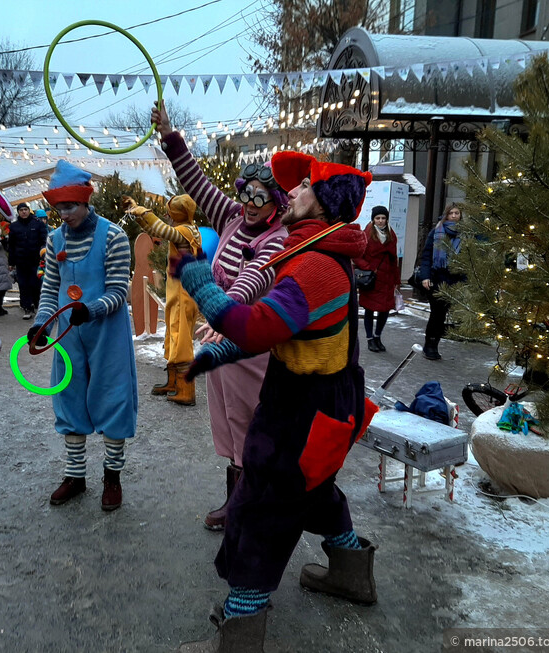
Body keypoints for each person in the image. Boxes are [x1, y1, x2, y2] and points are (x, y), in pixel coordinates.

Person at [173, 153, 378, 651]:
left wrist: (202, 287)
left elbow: (259, 327)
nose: (293, 193)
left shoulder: (316, 267)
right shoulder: (313, 251)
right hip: (321, 398)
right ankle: (352, 574)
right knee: (315, 490)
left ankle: (240, 634)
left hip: (302, 411)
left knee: (260, 511)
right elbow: (263, 304)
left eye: (304, 186)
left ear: (323, 203)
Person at [151, 99, 288, 531]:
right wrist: (171, 137)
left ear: (276, 202)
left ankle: (249, 509)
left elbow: (255, 279)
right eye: (245, 193)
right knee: (227, 422)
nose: (248, 203)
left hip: (248, 345)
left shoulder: (278, 237)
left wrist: (223, 311)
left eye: (259, 197)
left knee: (248, 423)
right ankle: (236, 502)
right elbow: (196, 179)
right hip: (219, 338)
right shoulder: (231, 215)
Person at [28, 160, 137, 512]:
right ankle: (75, 475)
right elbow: (50, 289)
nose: (64, 214)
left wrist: (91, 309)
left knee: (112, 398)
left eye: (70, 206)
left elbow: (120, 289)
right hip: (68, 335)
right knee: (69, 398)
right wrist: (41, 324)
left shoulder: (113, 236)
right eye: (58, 207)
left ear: (85, 201)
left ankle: (112, 477)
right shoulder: (55, 238)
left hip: (107, 332)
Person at [124, 194, 201, 405]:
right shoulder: (181, 228)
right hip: (178, 291)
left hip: (185, 293)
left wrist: (143, 211)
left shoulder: (186, 230)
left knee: (182, 338)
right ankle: (174, 382)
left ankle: (186, 390)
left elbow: (161, 230)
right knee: (173, 335)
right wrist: (138, 216)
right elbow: (154, 230)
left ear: (182, 213)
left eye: (171, 211)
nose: (167, 214)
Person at [419, 203, 464, 360]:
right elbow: (426, 256)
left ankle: (433, 343)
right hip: (436, 279)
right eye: (451, 213)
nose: (453, 216)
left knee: (443, 314)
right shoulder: (437, 232)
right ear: (446, 215)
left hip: (455, 280)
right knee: (437, 314)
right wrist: (425, 276)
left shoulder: (465, 235)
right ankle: (430, 345)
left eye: (456, 213)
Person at [353, 205, 399, 353]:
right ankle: (369, 339)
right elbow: (357, 255)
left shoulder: (391, 234)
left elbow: (394, 260)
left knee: (384, 310)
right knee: (369, 309)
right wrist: (368, 267)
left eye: (383, 218)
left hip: (386, 279)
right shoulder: (366, 234)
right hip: (372, 278)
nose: (380, 221)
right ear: (373, 219)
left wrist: (396, 281)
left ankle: (377, 336)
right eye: (377, 218)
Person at [9, 202, 47, 320]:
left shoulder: (37, 224)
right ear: (18, 212)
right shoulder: (14, 226)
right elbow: (11, 245)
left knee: (36, 283)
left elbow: (44, 240)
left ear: (29, 210)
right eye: (21, 210)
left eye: (25, 209)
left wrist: (43, 253)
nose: (24, 212)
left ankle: (37, 304)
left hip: (35, 260)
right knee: (23, 285)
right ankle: (27, 307)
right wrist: (11, 262)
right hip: (21, 261)